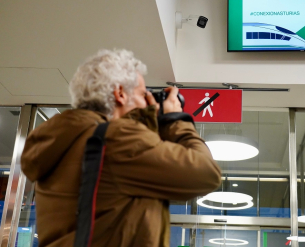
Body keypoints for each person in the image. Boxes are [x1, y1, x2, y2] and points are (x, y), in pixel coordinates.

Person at [21, 49, 222, 247]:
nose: (147, 102)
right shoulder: (117, 140)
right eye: (143, 94)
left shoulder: (65, 139)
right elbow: (206, 173)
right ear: (120, 94)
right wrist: (174, 119)